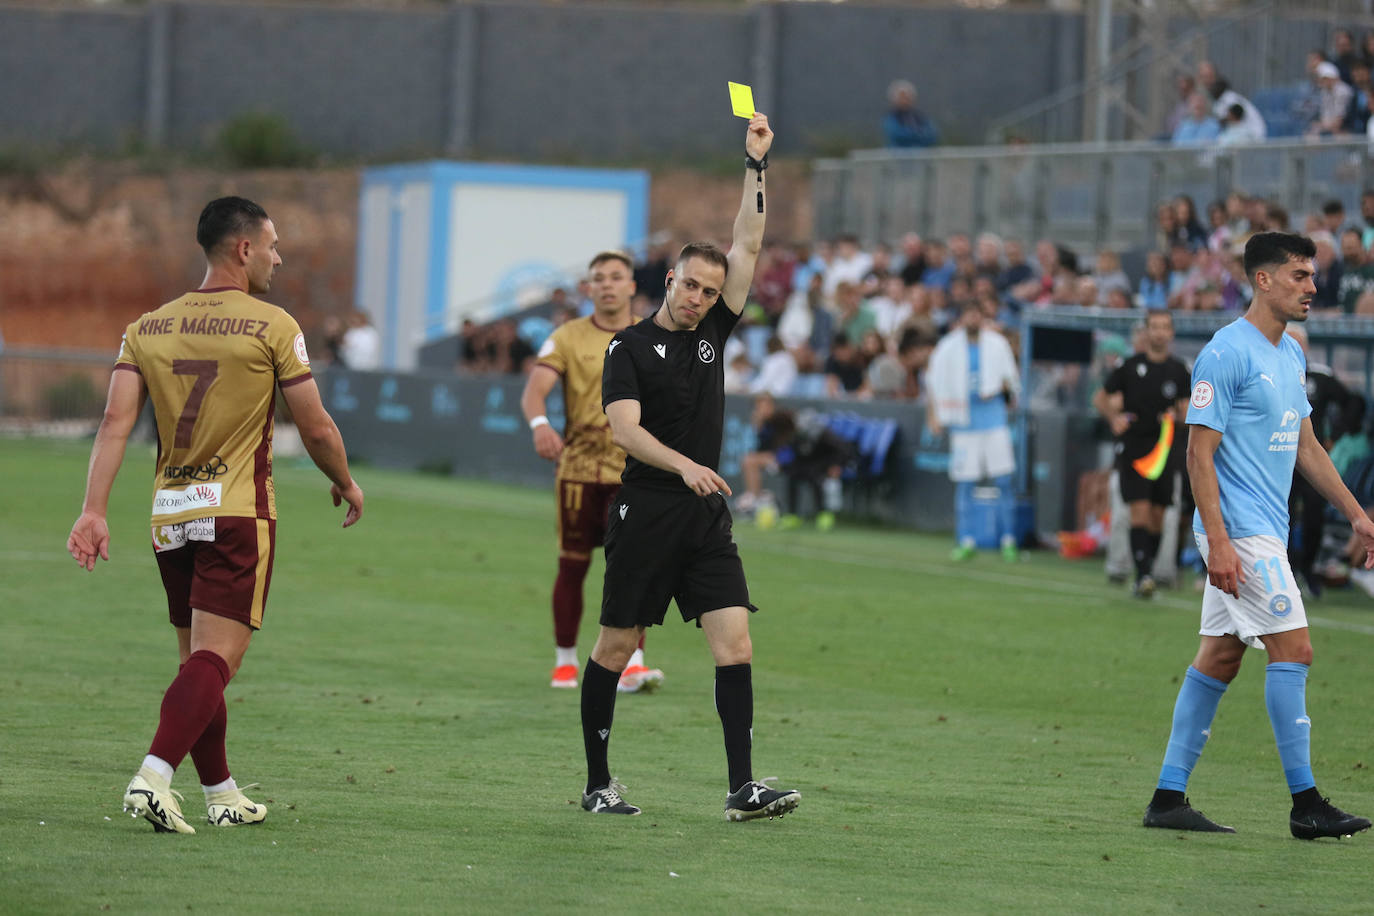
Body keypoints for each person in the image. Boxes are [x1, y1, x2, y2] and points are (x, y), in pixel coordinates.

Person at [66, 196, 365, 834]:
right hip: (236, 513)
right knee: (216, 662)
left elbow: (116, 423)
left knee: (197, 662)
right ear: (244, 248)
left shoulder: (146, 326)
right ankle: (152, 776)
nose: (279, 257)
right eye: (274, 244)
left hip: (170, 515)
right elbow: (313, 425)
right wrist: (344, 480)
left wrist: (93, 509)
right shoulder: (274, 325)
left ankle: (222, 794)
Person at [579, 112, 800, 821]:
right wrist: (687, 467)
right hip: (646, 509)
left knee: (735, 642)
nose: (701, 298)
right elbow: (626, 433)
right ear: (668, 280)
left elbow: (750, 238)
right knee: (616, 647)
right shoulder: (628, 349)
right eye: (691, 287)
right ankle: (598, 784)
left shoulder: (715, 329)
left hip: (704, 516)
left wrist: (755, 164)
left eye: (711, 290)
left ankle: (742, 787)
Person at [1141, 231, 1374, 839]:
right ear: (1263, 280)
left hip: (1264, 528)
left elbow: (1306, 447)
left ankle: (1168, 798)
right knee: (1294, 651)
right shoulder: (1225, 353)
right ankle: (1306, 805)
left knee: (1219, 658)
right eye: (1300, 275)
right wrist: (1217, 541)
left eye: (1312, 276)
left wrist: (1356, 513)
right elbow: (1198, 454)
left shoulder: (1291, 354)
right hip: (1240, 534)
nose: (1313, 287)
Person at [520, 251, 664, 694]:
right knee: (573, 566)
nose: (606, 285)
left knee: (632, 569)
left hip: (632, 473)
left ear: (631, 286)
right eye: (597, 278)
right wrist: (540, 424)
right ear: (588, 289)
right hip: (579, 472)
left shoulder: (652, 335)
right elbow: (534, 392)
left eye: (615, 277)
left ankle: (632, 663)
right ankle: (565, 662)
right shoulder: (565, 336)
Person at [1093, 310, 1191, 597]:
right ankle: (1143, 575)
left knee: (1159, 515)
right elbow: (1100, 397)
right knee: (1139, 509)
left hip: (1165, 451)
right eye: (1155, 327)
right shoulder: (1129, 366)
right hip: (1135, 448)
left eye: (1165, 327)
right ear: (1146, 332)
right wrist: (1114, 418)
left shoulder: (1180, 370)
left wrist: (1177, 415)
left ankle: (1145, 569)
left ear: (1171, 333)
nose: (1160, 332)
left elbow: (1187, 412)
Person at [925, 300, 1021, 562]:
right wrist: (934, 415)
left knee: (1003, 481)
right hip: (963, 424)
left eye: (976, 314)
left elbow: (1012, 381)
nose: (972, 319)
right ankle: (966, 539)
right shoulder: (947, 348)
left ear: (982, 317)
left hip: (994, 422)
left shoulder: (997, 345)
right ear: (961, 318)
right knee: (965, 483)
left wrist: (1001, 389)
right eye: (968, 314)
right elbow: (933, 382)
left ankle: (1009, 539)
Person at [883, 79, 938, 149]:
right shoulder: (890, 118)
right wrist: (918, 134)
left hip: (922, 157)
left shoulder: (919, 116)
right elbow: (897, 135)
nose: (904, 100)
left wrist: (917, 135)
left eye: (907, 97)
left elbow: (932, 134)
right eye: (901, 97)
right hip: (900, 157)